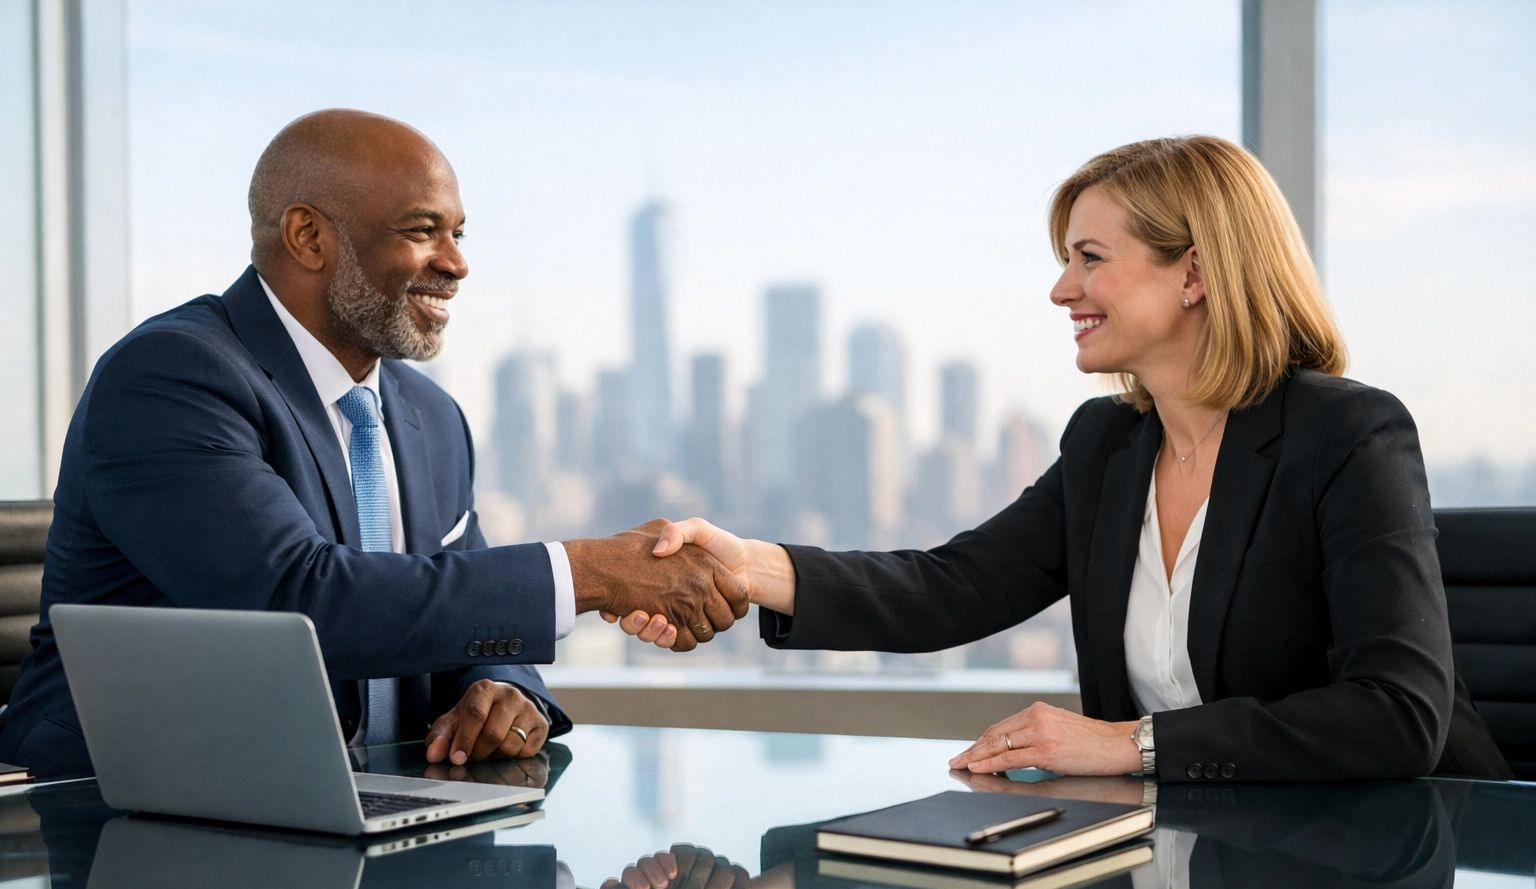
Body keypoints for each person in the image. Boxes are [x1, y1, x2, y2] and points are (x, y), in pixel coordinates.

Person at [639, 135, 1509, 782]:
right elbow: (952, 586)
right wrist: (749, 567)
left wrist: (1131, 746)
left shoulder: (1348, 436)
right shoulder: (1108, 449)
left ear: (1195, 273)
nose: (1062, 290)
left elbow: (1396, 716)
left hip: (1389, 882)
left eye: (1090, 259)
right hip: (1194, 865)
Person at [0, 109, 745, 780]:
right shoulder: (171, 378)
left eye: (458, 234)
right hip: (118, 819)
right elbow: (295, 601)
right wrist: (590, 573)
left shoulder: (433, 418)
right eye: (422, 231)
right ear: (309, 236)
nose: (455, 263)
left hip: (365, 816)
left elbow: (462, 596)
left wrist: (504, 690)